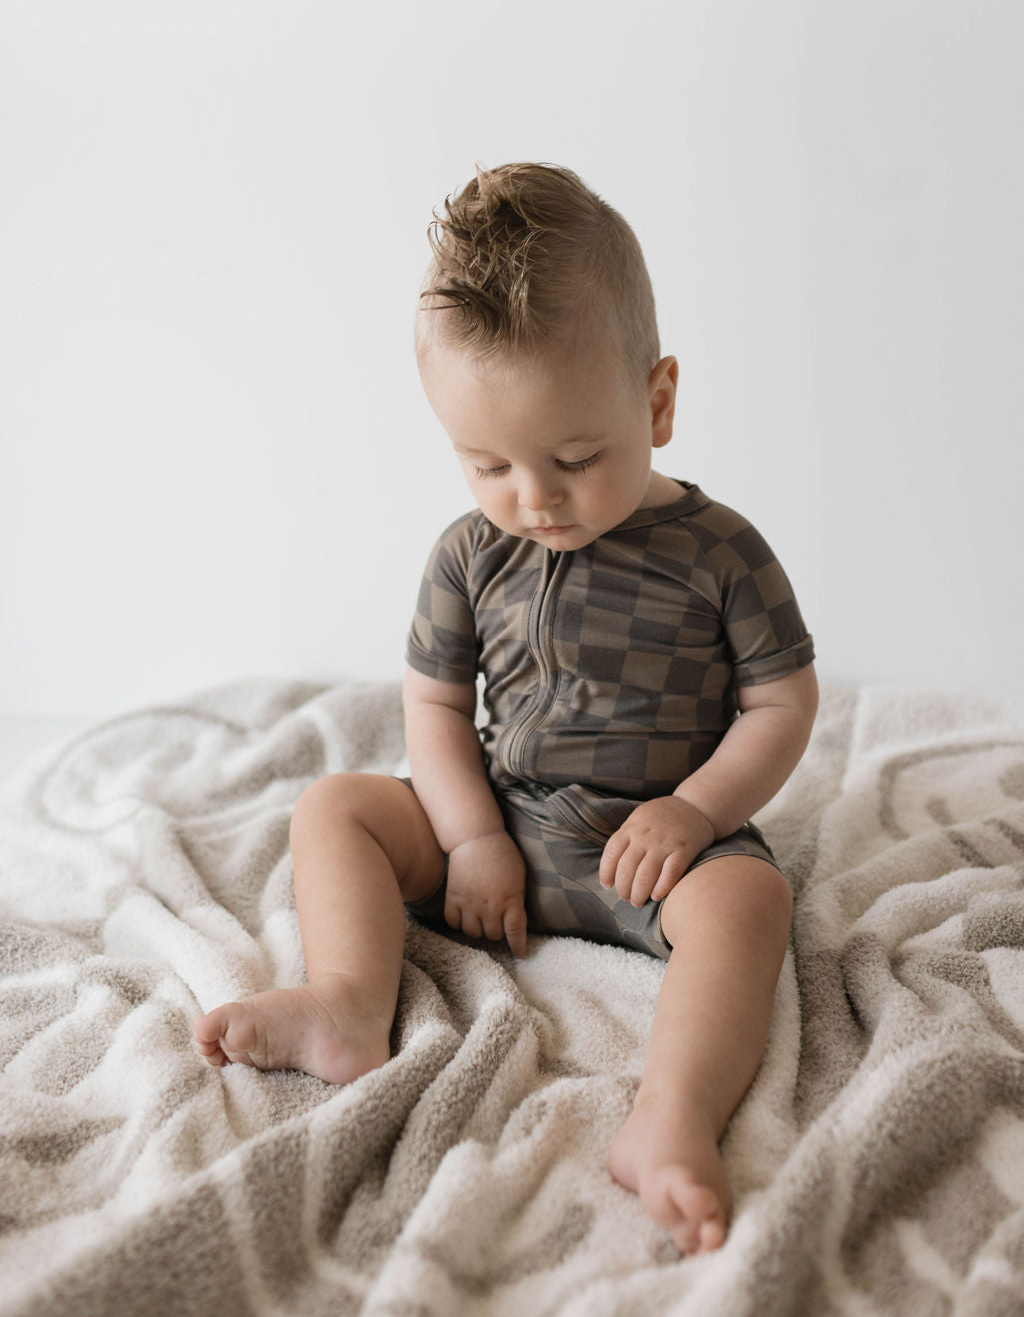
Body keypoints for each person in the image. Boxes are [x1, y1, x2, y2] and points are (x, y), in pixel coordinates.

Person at [194, 162, 818, 1258]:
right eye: (486, 463)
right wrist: (472, 832)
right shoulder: (469, 554)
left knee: (751, 906)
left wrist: (695, 808)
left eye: (575, 457)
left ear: (657, 399)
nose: (534, 497)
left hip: (659, 842)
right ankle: (344, 1002)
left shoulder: (720, 552)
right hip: (503, 823)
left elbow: (781, 699)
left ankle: (668, 1114)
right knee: (336, 805)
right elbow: (434, 702)